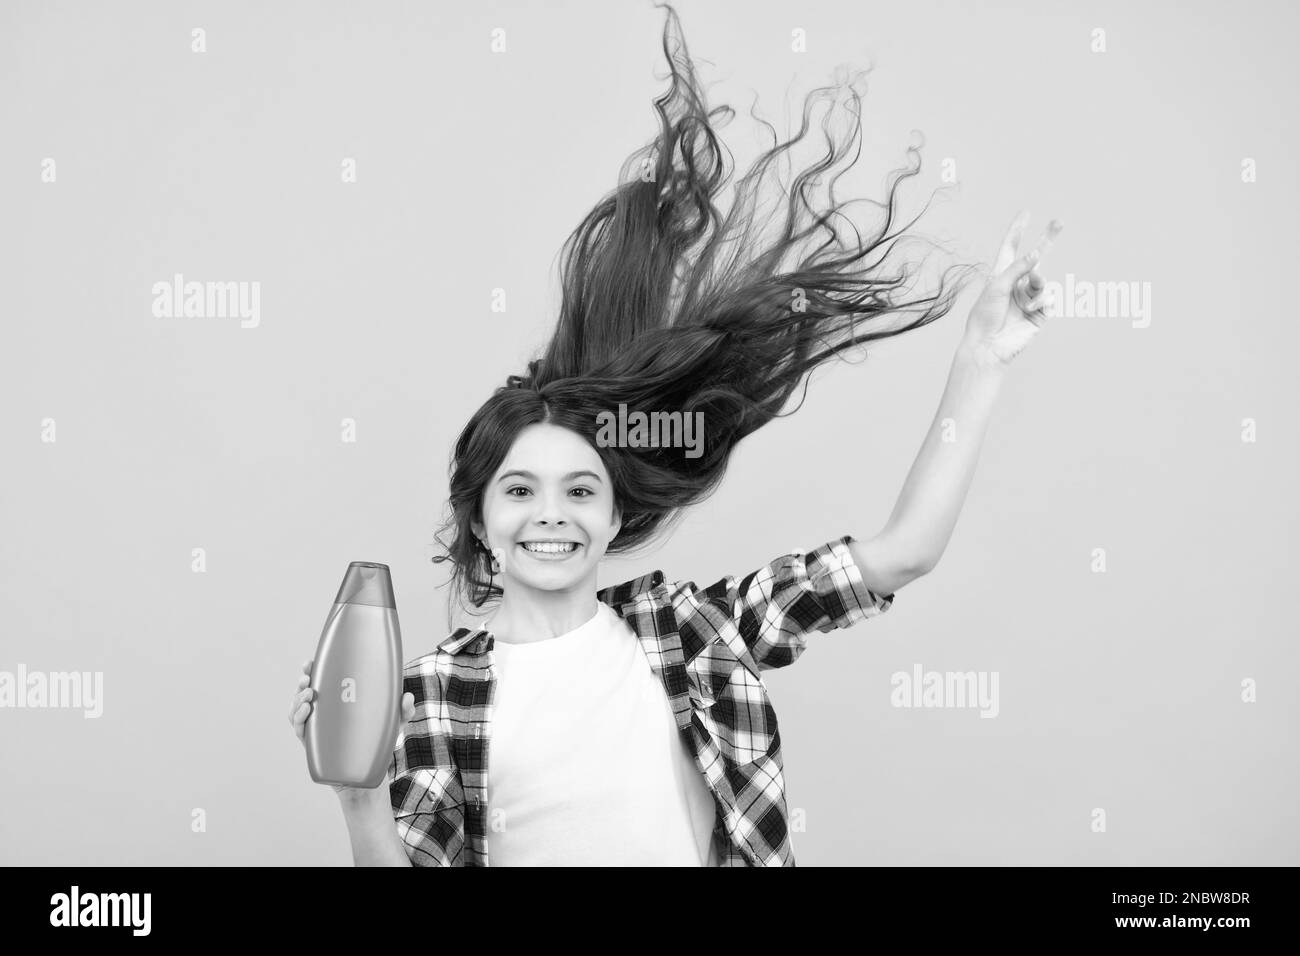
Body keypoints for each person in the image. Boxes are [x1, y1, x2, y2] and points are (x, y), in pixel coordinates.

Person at [289, 0, 1062, 866]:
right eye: (519, 490)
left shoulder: (695, 632)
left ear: (616, 516)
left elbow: (904, 552)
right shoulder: (435, 694)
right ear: (477, 519)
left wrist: (984, 356)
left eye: (581, 490)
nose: (552, 514)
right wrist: (360, 800)